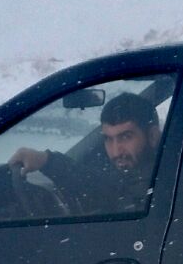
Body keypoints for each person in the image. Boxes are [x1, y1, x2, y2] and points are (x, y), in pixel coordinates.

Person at [9, 92, 162, 216]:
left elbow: (107, 192)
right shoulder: (134, 176)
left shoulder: (160, 182)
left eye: (126, 137)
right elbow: (103, 186)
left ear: (152, 136)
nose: (116, 151)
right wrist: (46, 160)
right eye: (108, 139)